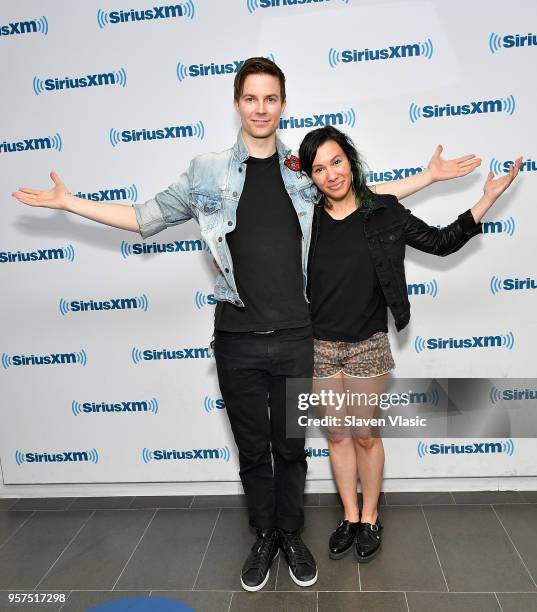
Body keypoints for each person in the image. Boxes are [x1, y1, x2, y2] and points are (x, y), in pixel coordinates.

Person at [11, 57, 482, 592]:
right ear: (238, 103)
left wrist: (429, 176)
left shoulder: (301, 174)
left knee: (292, 448)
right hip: (235, 339)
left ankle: (291, 533)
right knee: (253, 449)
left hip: (297, 339)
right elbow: (143, 218)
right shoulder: (206, 171)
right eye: (251, 98)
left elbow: (361, 199)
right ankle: (264, 536)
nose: (262, 108)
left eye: (271, 98)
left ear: (283, 104)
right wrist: (69, 202)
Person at [297, 125, 521, 564]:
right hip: (317, 345)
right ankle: (349, 516)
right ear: (310, 176)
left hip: (368, 344)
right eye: (318, 168)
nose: (330, 174)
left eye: (336, 162)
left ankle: (371, 516)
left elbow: (440, 242)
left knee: (364, 435)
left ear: (351, 161)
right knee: (337, 436)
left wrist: (487, 199)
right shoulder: (306, 219)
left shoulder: (383, 211)